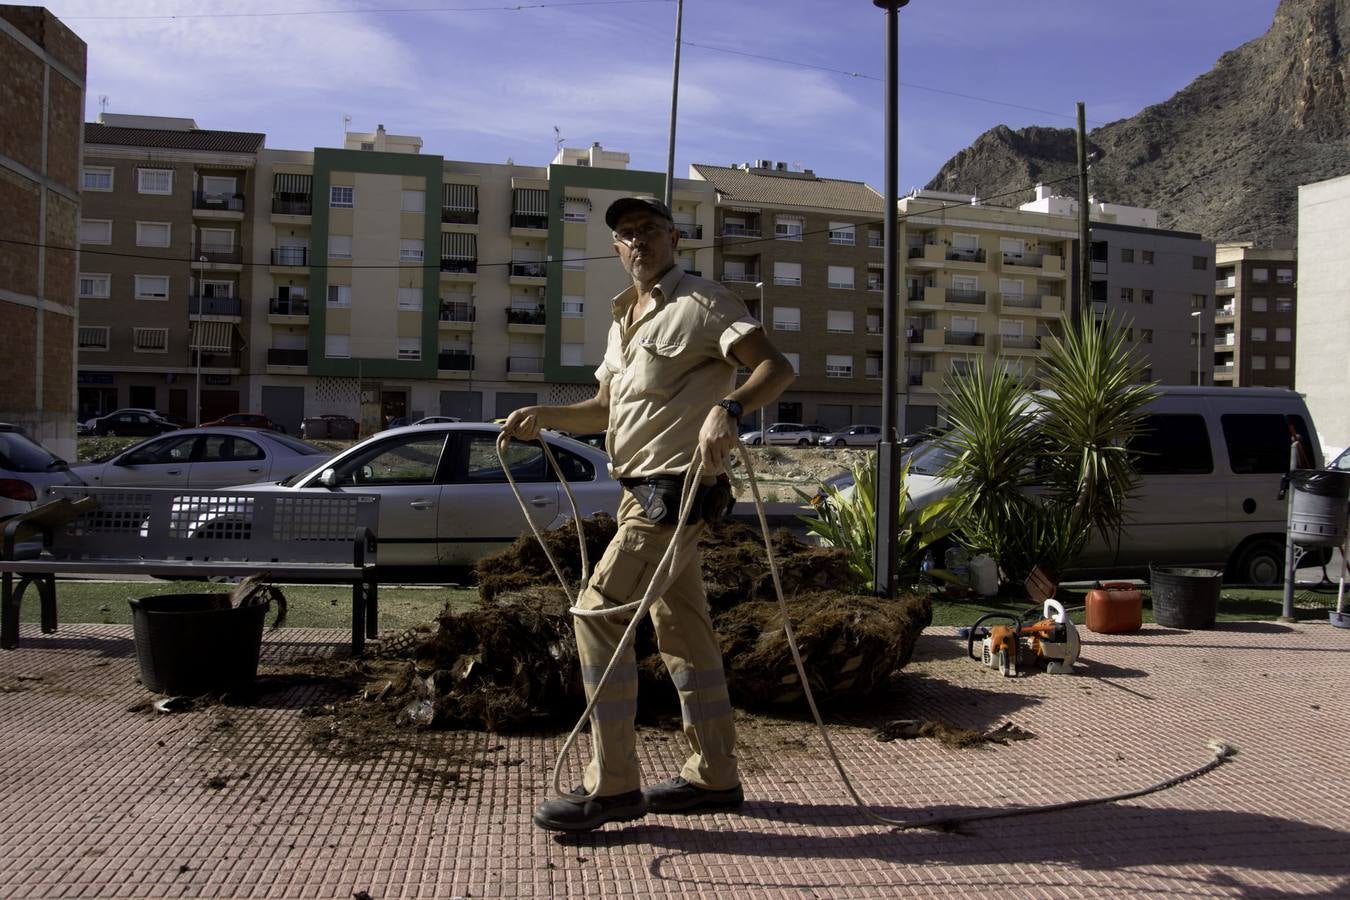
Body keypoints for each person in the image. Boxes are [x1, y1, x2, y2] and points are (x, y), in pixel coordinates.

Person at [499, 196, 795, 833]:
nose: (638, 242)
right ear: (616, 247)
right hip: (640, 491)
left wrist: (733, 409)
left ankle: (612, 785)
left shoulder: (705, 302)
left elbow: (776, 367)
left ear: (675, 238)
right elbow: (605, 408)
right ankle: (714, 775)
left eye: (650, 231)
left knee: (597, 615)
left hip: (674, 497)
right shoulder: (621, 318)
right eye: (627, 234)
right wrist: (545, 417)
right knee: (684, 631)